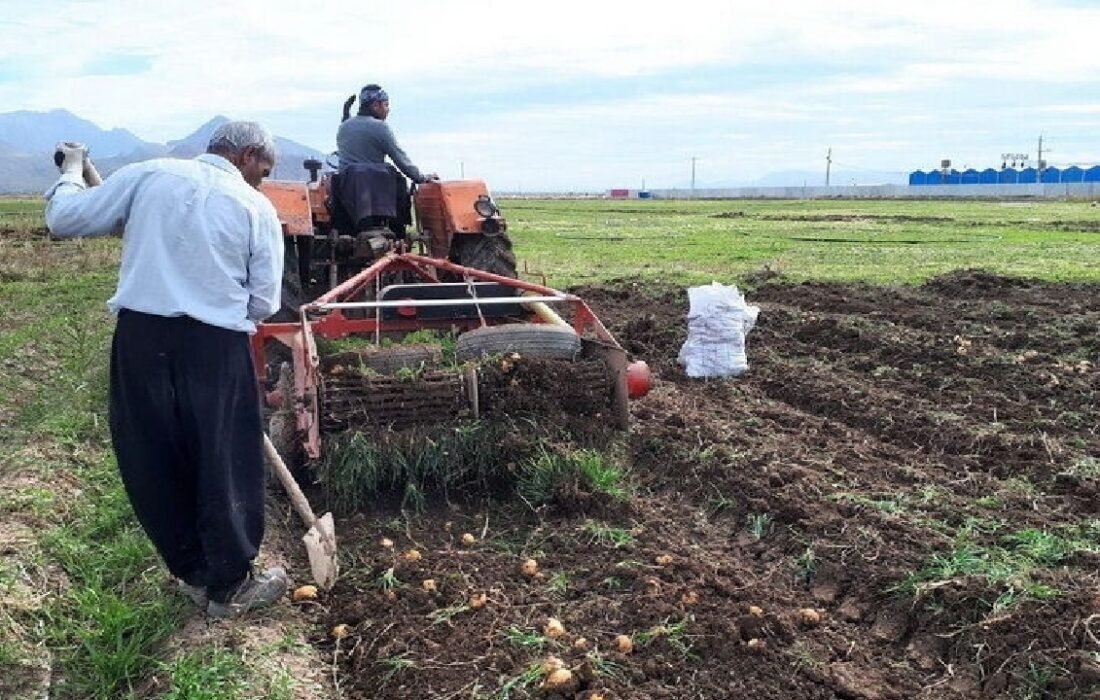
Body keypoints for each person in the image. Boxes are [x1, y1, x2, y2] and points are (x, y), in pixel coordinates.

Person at [44, 121, 290, 618]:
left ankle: (192, 572)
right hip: (216, 346)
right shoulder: (254, 206)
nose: (260, 182)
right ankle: (229, 586)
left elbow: (64, 219)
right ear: (245, 156)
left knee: (151, 454)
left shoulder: (148, 175)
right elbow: (264, 300)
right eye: (262, 172)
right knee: (223, 460)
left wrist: (72, 171)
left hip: (142, 338)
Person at [336, 83, 438, 183]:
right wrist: (421, 178)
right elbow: (401, 160)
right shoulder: (379, 127)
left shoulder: (343, 127)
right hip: (371, 191)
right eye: (386, 105)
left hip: (346, 192)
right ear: (376, 105)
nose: (388, 110)